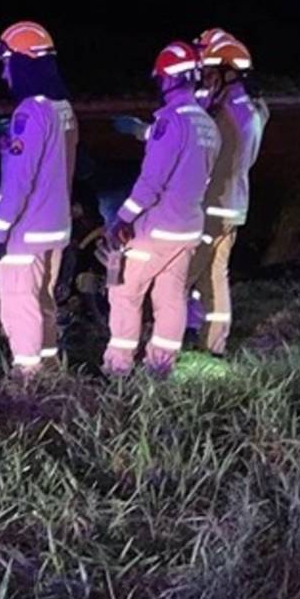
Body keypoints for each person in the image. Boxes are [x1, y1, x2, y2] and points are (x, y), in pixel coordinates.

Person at [103, 40, 221, 376]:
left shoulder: (171, 120)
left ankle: (118, 368)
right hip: (188, 228)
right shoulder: (207, 125)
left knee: (125, 293)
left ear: (168, 79)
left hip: (156, 228)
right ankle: (160, 367)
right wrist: (141, 130)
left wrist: (122, 218)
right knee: (171, 298)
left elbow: (151, 181)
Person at [0, 21, 78, 374]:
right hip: (56, 225)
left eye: (7, 64)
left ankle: (28, 382)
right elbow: (54, 163)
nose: (5, 74)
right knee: (43, 301)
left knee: (20, 307)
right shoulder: (62, 109)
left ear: (22, 63)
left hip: (27, 230)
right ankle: (49, 369)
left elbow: (19, 183)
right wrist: (11, 152)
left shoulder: (29, 111)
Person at [188, 28, 270, 358]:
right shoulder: (251, 107)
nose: (205, 78)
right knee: (214, 277)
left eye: (209, 71)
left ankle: (169, 344)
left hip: (211, 206)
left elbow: (199, 148)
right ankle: (213, 344)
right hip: (234, 206)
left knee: (182, 277)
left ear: (228, 72)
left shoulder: (224, 113)